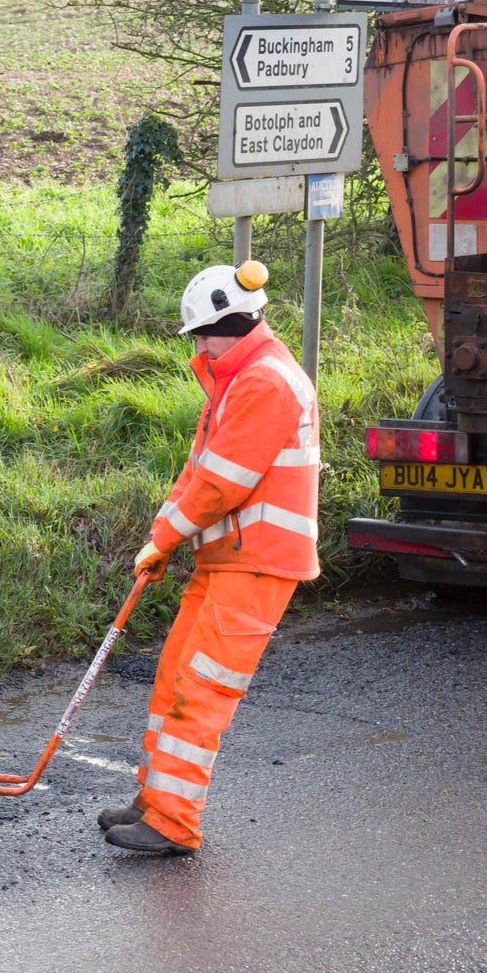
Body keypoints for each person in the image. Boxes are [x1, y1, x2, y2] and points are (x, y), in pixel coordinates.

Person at [103, 260, 320, 857]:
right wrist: (159, 538)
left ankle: (173, 824)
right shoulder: (239, 377)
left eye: (201, 334)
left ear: (232, 323)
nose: (198, 346)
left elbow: (222, 485)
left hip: (257, 565)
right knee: (174, 673)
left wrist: (167, 538)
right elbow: (197, 474)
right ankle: (153, 800)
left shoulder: (264, 382)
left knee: (201, 691)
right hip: (225, 559)